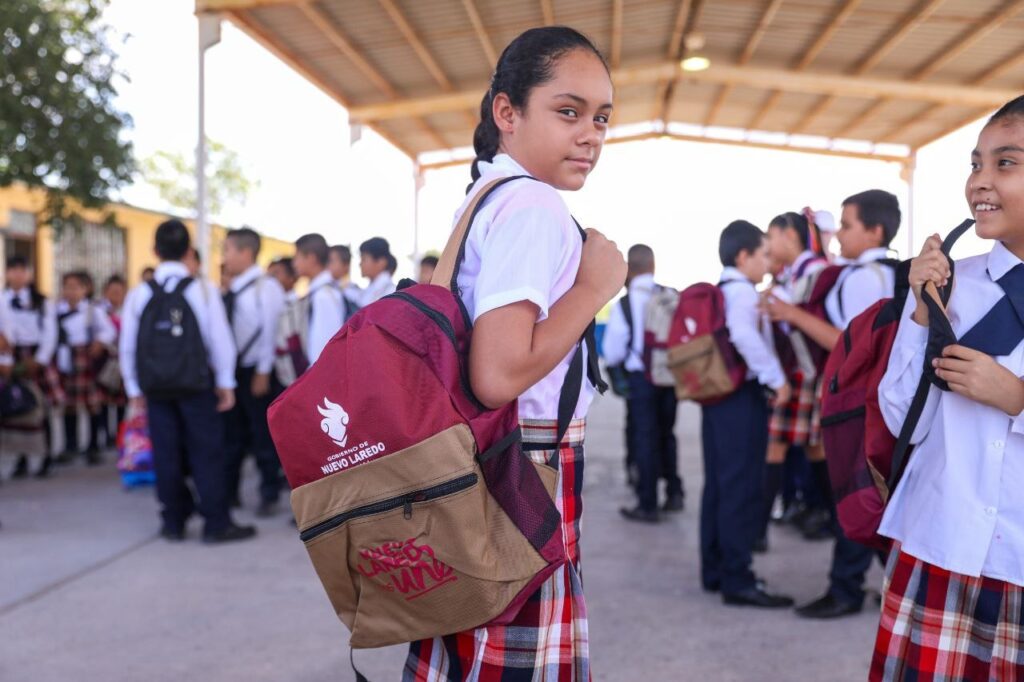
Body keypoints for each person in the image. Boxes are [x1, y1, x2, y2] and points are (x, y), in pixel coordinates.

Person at [405, 26, 623, 680]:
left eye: (603, 118)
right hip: (524, 463)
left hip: (477, 457)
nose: (591, 134)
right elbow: (499, 374)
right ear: (507, 112)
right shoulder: (531, 204)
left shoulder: (485, 197)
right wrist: (592, 287)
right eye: (568, 111)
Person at [870, 96, 1024, 680]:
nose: (980, 182)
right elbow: (902, 415)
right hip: (943, 544)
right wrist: (921, 309)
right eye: (975, 163)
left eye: (1005, 164)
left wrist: (1018, 399)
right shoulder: (957, 283)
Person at [767, 191, 901, 619]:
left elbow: (851, 347)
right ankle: (883, 582)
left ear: (874, 231)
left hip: (858, 401)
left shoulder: (863, 277)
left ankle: (846, 588)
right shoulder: (884, 273)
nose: (837, 236)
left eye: (846, 225)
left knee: (854, 493)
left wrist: (792, 315)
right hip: (879, 399)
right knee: (870, 494)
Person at [119, 219, 255, 544]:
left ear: (155, 251)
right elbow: (220, 341)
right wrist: (225, 383)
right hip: (196, 386)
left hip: (156, 389)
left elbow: (127, 345)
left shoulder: (139, 295)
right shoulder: (202, 290)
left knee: (166, 454)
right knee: (207, 453)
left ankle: (173, 522)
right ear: (187, 252)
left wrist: (134, 389)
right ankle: (216, 523)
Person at [698, 220, 794, 608]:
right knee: (741, 486)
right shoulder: (741, 294)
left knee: (720, 484)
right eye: (763, 255)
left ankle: (715, 569)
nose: (768, 263)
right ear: (743, 256)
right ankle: (738, 579)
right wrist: (777, 379)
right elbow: (743, 335)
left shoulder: (723, 291)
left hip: (719, 396)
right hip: (741, 396)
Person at [761, 212, 832, 543]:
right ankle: (828, 513)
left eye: (771, 235)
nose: (767, 243)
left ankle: (758, 530)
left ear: (789, 235)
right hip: (803, 371)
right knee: (814, 447)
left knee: (779, 447)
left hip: (808, 371)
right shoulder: (797, 274)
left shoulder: (817, 273)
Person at [603, 244, 684, 523]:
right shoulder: (669, 295)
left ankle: (648, 503)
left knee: (645, 438)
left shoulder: (626, 304)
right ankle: (674, 492)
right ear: (652, 266)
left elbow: (613, 350)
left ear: (630, 268)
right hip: (670, 377)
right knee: (667, 434)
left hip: (642, 380)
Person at [220, 227, 287, 517]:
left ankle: (269, 492)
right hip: (232, 371)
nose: (224, 258)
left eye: (227, 251)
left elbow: (271, 330)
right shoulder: (231, 289)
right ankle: (229, 491)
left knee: (262, 436)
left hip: (256, 371)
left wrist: (262, 370)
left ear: (246, 252)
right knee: (230, 435)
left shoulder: (266, 287)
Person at [3, 256, 59, 478]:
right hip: (10, 357)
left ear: (29, 274)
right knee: (15, 410)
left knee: (41, 408)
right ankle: (21, 459)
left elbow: (50, 332)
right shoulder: (2, 299)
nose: (18, 275)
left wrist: (40, 359)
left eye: (22, 270)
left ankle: (46, 457)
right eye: (13, 270)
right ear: (7, 273)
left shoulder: (41, 301)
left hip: (36, 356)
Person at [54, 270, 117, 465]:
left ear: (85, 289)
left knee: (92, 405)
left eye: (76, 287)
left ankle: (92, 445)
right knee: (68, 405)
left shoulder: (92, 310)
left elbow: (109, 331)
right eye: (67, 287)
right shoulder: (57, 310)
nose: (71, 292)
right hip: (65, 358)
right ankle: (70, 445)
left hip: (85, 358)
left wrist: (99, 343)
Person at [294, 233, 345, 366]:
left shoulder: (324, 295)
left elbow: (322, 351)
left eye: (297, 257)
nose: (295, 263)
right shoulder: (320, 291)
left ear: (311, 258)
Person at [268, 257, 304, 388]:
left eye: (276, 274)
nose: (270, 279)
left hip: (291, 376)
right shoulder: (268, 304)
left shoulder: (299, 307)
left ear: (291, 278)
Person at [357, 237, 396, 306]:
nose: (360, 264)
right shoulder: (368, 290)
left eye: (364, 259)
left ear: (381, 262)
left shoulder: (391, 292)